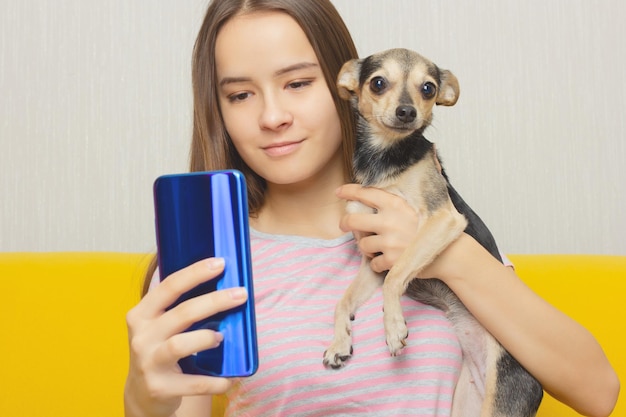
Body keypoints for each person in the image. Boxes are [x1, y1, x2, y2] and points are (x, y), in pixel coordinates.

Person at [124, 1, 620, 416]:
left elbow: (598, 391)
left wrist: (442, 252)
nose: (272, 116)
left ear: (348, 85)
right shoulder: (208, 263)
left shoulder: (432, 216)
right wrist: (143, 398)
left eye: (297, 83)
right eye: (239, 94)